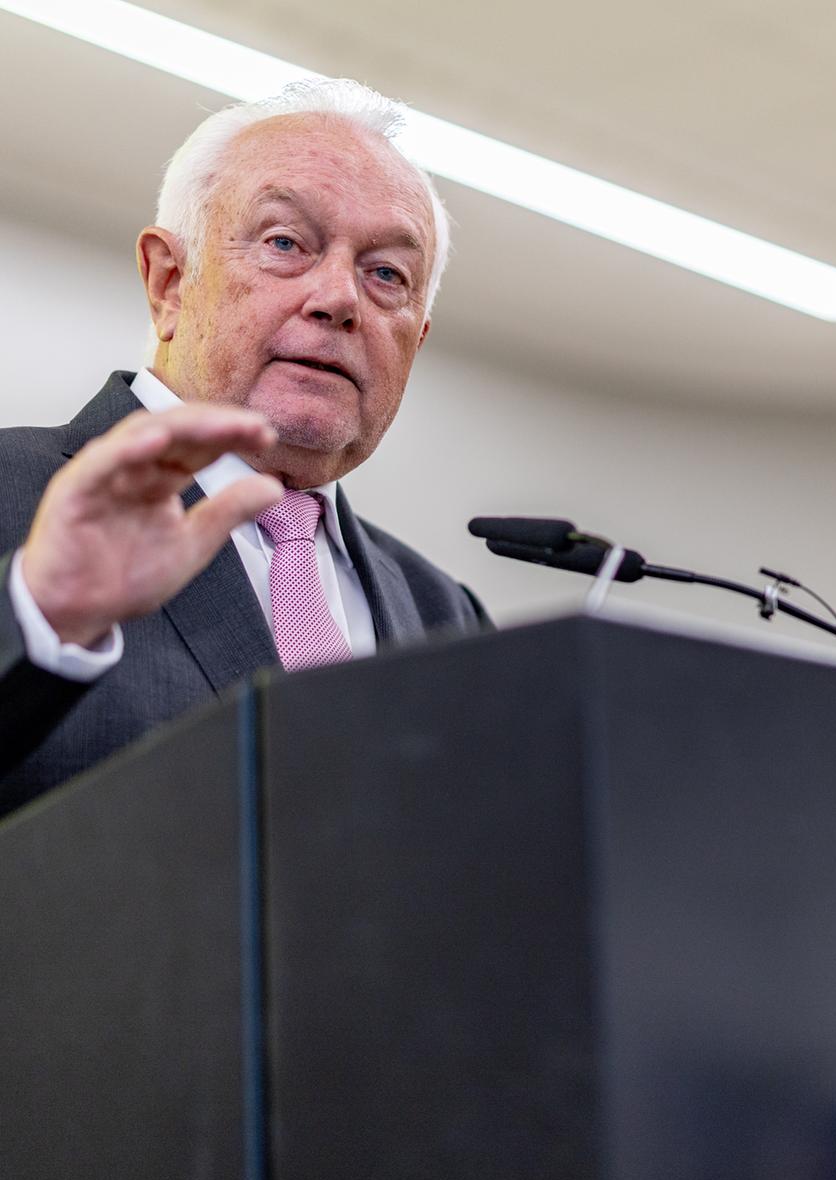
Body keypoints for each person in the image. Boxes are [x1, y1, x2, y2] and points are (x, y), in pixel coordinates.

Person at [0, 79, 486, 818]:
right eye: (285, 243)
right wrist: (40, 617)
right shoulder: (12, 494)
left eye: (386, 273)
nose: (339, 299)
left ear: (415, 341)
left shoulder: (445, 617)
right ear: (169, 282)